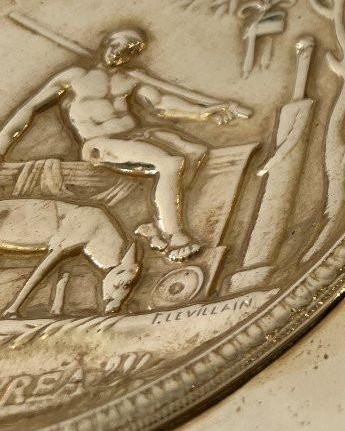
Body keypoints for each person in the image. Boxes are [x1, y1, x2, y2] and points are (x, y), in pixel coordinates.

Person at [0, 28, 246, 261]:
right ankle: (173, 235)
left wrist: (204, 112)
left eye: (130, 50)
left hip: (136, 135)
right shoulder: (75, 76)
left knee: (196, 151)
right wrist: (2, 143)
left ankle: (159, 218)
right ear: (107, 44)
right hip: (100, 142)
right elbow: (30, 108)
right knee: (170, 163)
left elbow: (161, 104)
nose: (121, 52)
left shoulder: (129, 79)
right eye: (118, 45)